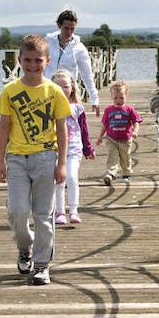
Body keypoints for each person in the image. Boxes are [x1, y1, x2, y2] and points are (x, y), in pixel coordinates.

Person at [0, 33, 71, 286]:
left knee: (43, 214)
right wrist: (0, 161)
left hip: (46, 157)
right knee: (17, 211)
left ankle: (41, 265)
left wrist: (61, 163)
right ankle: (25, 247)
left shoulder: (55, 92)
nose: (32, 65)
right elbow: (3, 127)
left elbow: (62, 129)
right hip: (16, 158)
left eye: (37, 60)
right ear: (19, 60)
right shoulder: (10, 91)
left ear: (47, 61)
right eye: (27, 60)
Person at [50, 70, 94, 227]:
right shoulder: (49, 107)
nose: (62, 90)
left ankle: (74, 210)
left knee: (72, 177)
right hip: (54, 149)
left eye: (66, 86)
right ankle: (60, 212)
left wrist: (88, 149)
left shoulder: (78, 108)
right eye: (58, 86)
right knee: (58, 181)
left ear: (72, 88)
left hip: (74, 149)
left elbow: (84, 129)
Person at [44, 8, 99, 114]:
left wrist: (94, 98)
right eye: (66, 28)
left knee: (70, 127)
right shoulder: (47, 42)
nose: (69, 32)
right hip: (47, 91)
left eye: (72, 29)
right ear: (59, 25)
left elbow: (87, 74)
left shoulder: (80, 48)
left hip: (68, 93)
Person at [98, 80, 141, 186]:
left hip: (125, 139)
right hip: (111, 138)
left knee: (125, 157)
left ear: (126, 96)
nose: (118, 100)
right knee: (112, 156)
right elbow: (105, 125)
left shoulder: (129, 109)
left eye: (121, 97)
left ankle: (126, 173)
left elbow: (136, 122)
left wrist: (135, 131)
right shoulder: (108, 110)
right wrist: (100, 137)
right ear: (111, 97)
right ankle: (110, 173)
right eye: (115, 98)